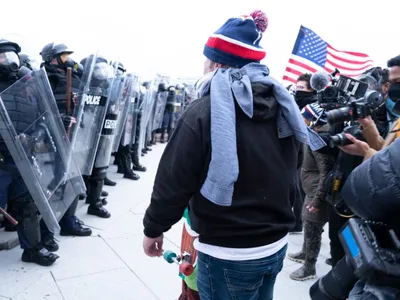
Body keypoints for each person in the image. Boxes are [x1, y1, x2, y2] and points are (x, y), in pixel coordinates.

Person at [143, 10, 325, 299]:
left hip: (229, 252)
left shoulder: (203, 111)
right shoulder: (283, 107)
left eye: (206, 59)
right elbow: (294, 163)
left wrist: (153, 228)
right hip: (275, 244)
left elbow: (174, 181)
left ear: (216, 62)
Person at [0, 39, 58, 266]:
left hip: (21, 159)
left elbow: (40, 119)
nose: (6, 61)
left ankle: (32, 249)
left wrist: (34, 136)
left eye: (9, 56)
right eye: (1, 56)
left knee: (27, 205)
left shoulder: (27, 88)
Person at [39, 42, 92, 244]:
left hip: (71, 137)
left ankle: (68, 220)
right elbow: (41, 109)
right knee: (53, 184)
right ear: (52, 58)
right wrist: (60, 119)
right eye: (63, 56)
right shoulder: (45, 79)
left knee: (71, 179)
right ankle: (46, 231)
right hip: (51, 139)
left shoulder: (72, 77)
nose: (68, 60)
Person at [288, 103, 335, 281]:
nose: (302, 119)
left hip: (317, 192)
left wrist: (317, 200)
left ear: (314, 118)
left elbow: (325, 173)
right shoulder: (313, 133)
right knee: (307, 223)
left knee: (313, 228)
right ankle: (305, 251)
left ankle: (309, 267)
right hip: (310, 189)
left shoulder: (320, 140)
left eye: (304, 116)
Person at [339, 55, 400, 159]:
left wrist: (366, 152)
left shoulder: (394, 115)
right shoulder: (397, 122)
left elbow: (392, 163)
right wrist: (368, 125)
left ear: (386, 87)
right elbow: (386, 151)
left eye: (397, 81)